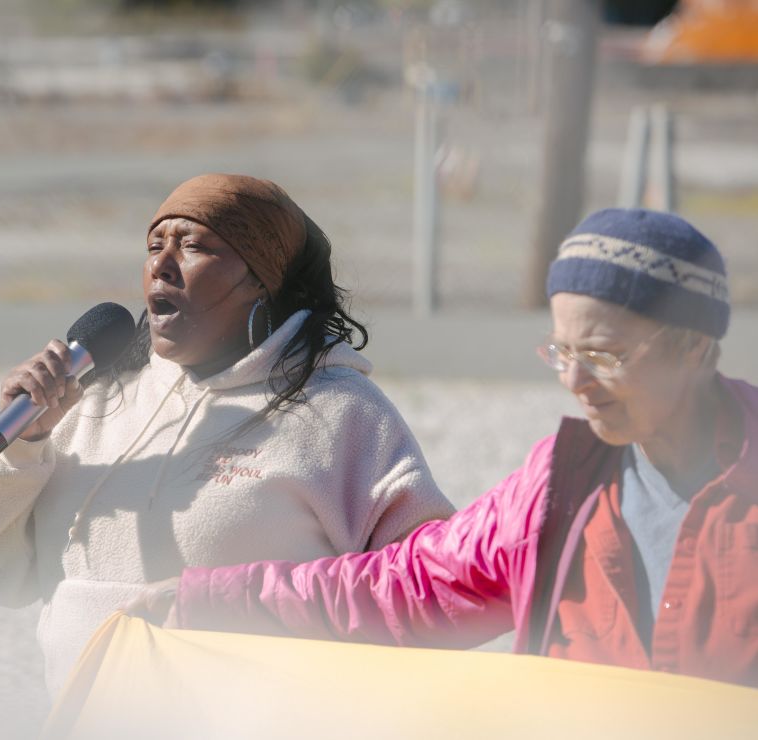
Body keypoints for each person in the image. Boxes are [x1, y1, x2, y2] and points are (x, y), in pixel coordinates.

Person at [136, 207, 758, 688]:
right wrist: (213, 599)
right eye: (562, 352)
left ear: (695, 348)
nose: (575, 381)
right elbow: (407, 589)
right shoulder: (562, 485)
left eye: (603, 355)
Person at [0, 173, 454, 692]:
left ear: (260, 278)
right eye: (155, 245)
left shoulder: (338, 412)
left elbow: (428, 589)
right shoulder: (93, 401)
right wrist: (23, 447)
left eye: (193, 246)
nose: (161, 265)